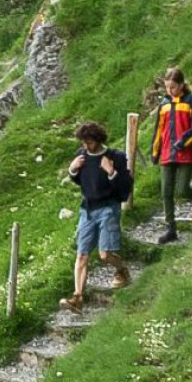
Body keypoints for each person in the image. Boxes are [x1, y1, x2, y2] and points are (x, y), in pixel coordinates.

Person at [61, 119, 135, 302]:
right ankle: (77, 297)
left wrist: (111, 172)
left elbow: (126, 186)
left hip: (108, 209)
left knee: (105, 254)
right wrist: (72, 170)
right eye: (83, 142)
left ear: (99, 140)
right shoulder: (82, 155)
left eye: (90, 142)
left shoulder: (114, 157)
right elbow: (82, 181)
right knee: (82, 254)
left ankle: (122, 270)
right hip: (87, 209)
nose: (86, 146)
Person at [149, 68, 192, 243]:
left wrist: (183, 141)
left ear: (181, 85)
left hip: (185, 153)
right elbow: (159, 130)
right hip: (167, 152)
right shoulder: (164, 105)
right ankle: (171, 229)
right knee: (166, 191)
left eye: (173, 87)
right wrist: (155, 151)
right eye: (167, 87)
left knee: (182, 190)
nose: (170, 91)